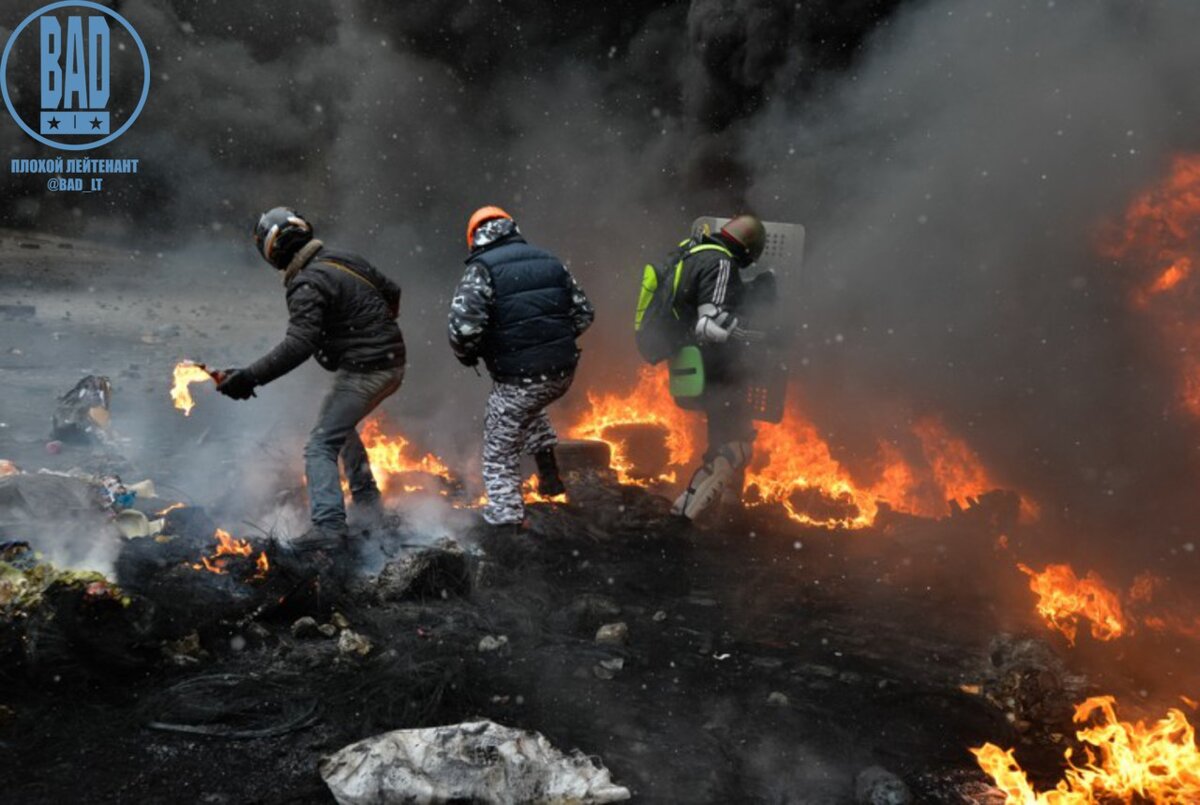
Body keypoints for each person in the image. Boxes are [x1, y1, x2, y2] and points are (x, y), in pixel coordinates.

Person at [216, 207, 406, 552]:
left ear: (271, 252)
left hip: (368, 370)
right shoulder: (343, 258)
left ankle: (329, 528)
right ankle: (368, 506)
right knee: (338, 426)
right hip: (389, 362)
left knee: (320, 444)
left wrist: (249, 378)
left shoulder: (306, 282)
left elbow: (298, 345)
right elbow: (392, 292)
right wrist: (369, 330)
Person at [448, 206, 594, 530]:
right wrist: (550, 342)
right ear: (512, 228)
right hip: (562, 372)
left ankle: (507, 524)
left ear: (473, 237)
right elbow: (584, 314)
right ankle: (550, 477)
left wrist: (470, 355)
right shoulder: (549, 260)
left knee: (499, 449)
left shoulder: (481, 270)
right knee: (529, 407)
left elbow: (463, 331)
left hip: (520, 376)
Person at [667, 214, 771, 521]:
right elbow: (709, 322)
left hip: (698, 366)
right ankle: (690, 514)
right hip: (719, 369)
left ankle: (685, 507)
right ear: (747, 249)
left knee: (721, 442)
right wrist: (762, 335)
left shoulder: (694, 252)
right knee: (737, 447)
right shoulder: (721, 262)